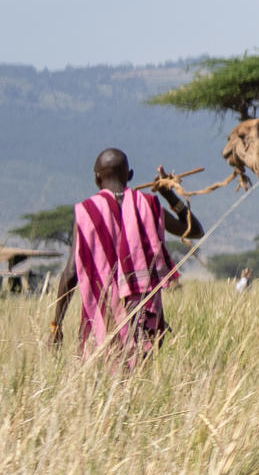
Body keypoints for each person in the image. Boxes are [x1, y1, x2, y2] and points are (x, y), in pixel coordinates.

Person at [50, 150, 197, 367]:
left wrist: (56, 325)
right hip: (144, 321)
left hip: (103, 320)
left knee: (103, 388)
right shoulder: (148, 205)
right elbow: (193, 230)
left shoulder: (87, 212)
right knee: (143, 385)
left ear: (96, 178)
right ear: (130, 175)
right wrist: (169, 195)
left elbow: (71, 272)